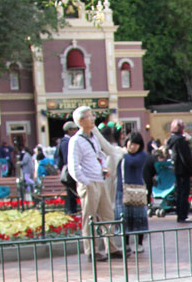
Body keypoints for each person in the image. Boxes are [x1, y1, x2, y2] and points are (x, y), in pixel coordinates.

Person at [69, 105, 126, 261]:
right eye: (89, 116)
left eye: (92, 115)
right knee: (90, 218)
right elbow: (73, 166)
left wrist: (103, 168)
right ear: (81, 121)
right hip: (89, 183)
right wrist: (86, 182)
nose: (93, 118)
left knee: (107, 214)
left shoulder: (93, 138)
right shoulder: (75, 141)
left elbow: (99, 156)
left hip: (99, 180)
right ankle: (91, 250)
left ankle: (111, 247)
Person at [121, 132, 149, 251]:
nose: (132, 147)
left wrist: (122, 153)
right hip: (124, 188)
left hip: (138, 189)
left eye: (136, 144)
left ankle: (139, 244)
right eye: (131, 144)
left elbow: (132, 162)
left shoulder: (142, 155)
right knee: (126, 218)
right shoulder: (123, 155)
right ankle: (126, 244)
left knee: (139, 217)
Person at [165, 119, 192, 223]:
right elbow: (186, 157)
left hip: (177, 170)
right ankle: (183, 215)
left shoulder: (171, 140)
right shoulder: (180, 141)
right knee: (184, 193)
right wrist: (191, 170)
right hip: (184, 170)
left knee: (179, 193)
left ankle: (180, 214)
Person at [54, 121, 79, 214]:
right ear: (69, 130)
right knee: (71, 194)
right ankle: (71, 212)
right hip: (69, 172)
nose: (76, 131)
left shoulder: (65, 141)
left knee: (72, 194)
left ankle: (72, 210)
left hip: (69, 171)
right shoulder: (66, 142)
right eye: (74, 129)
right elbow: (67, 159)